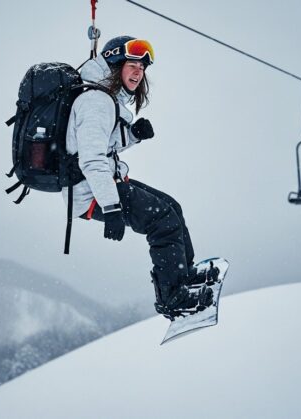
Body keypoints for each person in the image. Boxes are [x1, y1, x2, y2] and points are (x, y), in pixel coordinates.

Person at [63, 36, 218, 319]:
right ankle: (172, 298)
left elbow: (104, 145)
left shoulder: (105, 98)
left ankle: (183, 275)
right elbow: (91, 159)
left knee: (171, 207)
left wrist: (133, 135)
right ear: (115, 65)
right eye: (132, 65)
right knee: (162, 221)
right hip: (91, 193)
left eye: (142, 68)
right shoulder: (96, 101)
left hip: (104, 183)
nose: (138, 72)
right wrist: (111, 207)